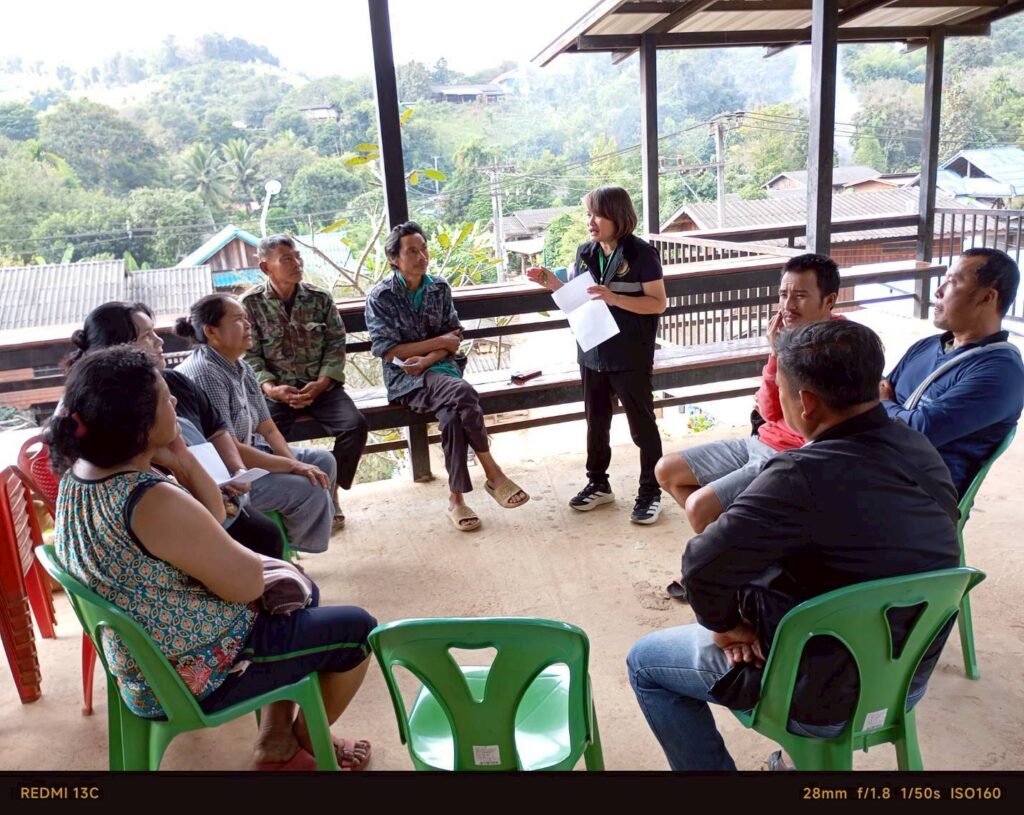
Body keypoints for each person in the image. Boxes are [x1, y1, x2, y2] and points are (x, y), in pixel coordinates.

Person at [626, 321, 961, 771]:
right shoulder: (920, 450)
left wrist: (728, 627)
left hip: (817, 696)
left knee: (645, 663)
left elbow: (701, 568)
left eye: (781, 391)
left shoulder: (798, 476)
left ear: (806, 402)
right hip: (905, 680)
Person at [49, 346, 375, 769]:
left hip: (144, 664)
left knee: (295, 589)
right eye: (164, 397)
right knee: (356, 629)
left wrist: (183, 459)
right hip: (195, 673)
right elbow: (246, 584)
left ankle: (275, 736)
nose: (174, 400)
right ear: (139, 421)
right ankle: (307, 735)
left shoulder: (81, 475)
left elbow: (216, 516)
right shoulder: (149, 498)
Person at [64, 301, 283, 559]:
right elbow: (233, 557)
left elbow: (217, 429)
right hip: (196, 511)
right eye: (147, 335)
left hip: (212, 497)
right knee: (265, 541)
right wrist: (183, 462)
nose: (159, 341)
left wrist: (234, 470)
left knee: (267, 537)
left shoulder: (173, 383)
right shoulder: (142, 482)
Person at [655, 254, 842, 537]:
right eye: (783, 295)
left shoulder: (841, 348)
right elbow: (768, 411)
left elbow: (808, 424)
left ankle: (731, 541)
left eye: (800, 296)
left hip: (790, 456)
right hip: (762, 439)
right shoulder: (789, 338)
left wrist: (781, 355)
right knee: (667, 470)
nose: (788, 306)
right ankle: (738, 538)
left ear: (829, 300)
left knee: (699, 508)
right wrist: (776, 353)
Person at [364, 221, 529, 531]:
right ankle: (492, 472)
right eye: (412, 251)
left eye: (424, 249)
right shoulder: (381, 296)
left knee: (452, 415)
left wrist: (429, 356)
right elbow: (388, 350)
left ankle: (457, 500)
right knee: (463, 394)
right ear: (394, 258)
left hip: (441, 369)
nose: (421, 256)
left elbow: (453, 338)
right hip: (407, 379)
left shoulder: (438, 288)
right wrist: (438, 344)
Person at [527, 186, 668, 524]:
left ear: (617, 216)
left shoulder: (642, 254)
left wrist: (615, 298)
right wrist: (553, 284)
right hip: (592, 349)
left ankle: (651, 492)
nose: (590, 221)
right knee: (597, 422)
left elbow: (658, 303)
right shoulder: (585, 252)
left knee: (641, 426)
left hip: (630, 353)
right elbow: (581, 298)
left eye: (597, 214)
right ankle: (598, 484)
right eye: (588, 214)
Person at [175, 294, 339, 554]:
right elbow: (227, 448)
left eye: (246, 318)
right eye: (238, 319)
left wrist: (295, 465)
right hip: (229, 471)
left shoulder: (241, 366)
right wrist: (293, 467)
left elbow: (267, 427)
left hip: (253, 450)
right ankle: (287, 555)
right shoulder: (205, 373)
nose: (248, 325)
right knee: (310, 490)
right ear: (211, 331)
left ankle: (292, 548)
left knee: (323, 461)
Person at [242, 234, 369, 527]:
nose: (297, 263)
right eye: (286, 259)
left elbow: (336, 343)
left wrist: (323, 382)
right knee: (261, 440)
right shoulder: (250, 304)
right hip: (276, 392)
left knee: (355, 426)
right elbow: (250, 355)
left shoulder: (319, 298)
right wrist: (271, 388)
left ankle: (331, 492)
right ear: (266, 267)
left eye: (297, 256)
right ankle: (291, 499)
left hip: (321, 387)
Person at [880, 248, 1023, 496]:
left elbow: (916, 434)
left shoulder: (1001, 373)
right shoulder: (926, 346)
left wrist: (884, 403)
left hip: (919, 500)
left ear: (987, 297)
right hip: (880, 474)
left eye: (953, 282)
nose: (938, 291)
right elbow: (872, 396)